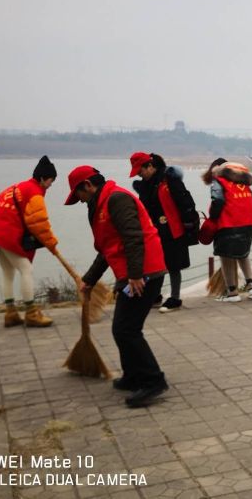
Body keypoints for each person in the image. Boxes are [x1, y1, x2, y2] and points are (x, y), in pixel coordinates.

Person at [64, 165, 169, 408]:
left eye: (79, 195)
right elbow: (107, 248)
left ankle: (153, 381)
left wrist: (135, 275)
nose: (81, 201)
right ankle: (133, 375)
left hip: (144, 273)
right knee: (123, 328)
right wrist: (89, 280)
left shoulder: (116, 199)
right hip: (134, 273)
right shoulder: (102, 203)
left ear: (88, 185)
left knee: (127, 330)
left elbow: (133, 236)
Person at [0, 155, 58, 328]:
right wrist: (51, 243)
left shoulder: (19, 187)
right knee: (26, 269)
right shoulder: (34, 192)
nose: (51, 185)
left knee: (8, 271)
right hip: (5, 232)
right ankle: (31, 313)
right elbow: (39, 222)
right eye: (51, 181)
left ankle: (11, 313)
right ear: (43, 178)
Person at [129, 152, 198, 313]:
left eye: (141, 171)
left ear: (150, 166)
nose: (140, 175)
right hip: (153, 231)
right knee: (154, 264)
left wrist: (189, 226)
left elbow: (186, 203)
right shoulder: (145, 186)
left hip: (173, 230)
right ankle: (155, 295)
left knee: (173, 265)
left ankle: (175, 298)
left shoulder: (170, 180)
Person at [202, 158, 252, 302]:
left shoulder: (219, 181)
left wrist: (213, 218)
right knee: (243, 254)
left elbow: (218, 200)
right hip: (248, 223)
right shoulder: (244, 183)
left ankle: (232, 293)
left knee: (225, 257)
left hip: (228, 223)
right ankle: (251, 286)